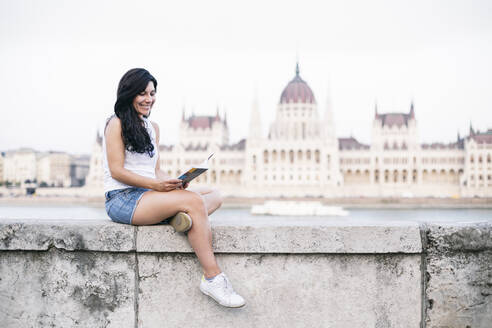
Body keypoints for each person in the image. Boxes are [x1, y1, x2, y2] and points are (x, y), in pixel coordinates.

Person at [103, 68, 245, 308]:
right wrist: (156, 186)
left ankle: (176, 216)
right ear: (128, 94)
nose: (149, 99)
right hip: (122, 199)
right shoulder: (115, 123)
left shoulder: (152, 128)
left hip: (148, 194)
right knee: (193, 202)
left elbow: (156, 171)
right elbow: (117, 171)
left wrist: (175, 182)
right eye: (142, 93)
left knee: (215, 195)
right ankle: (212, 277)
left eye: (152, 93)